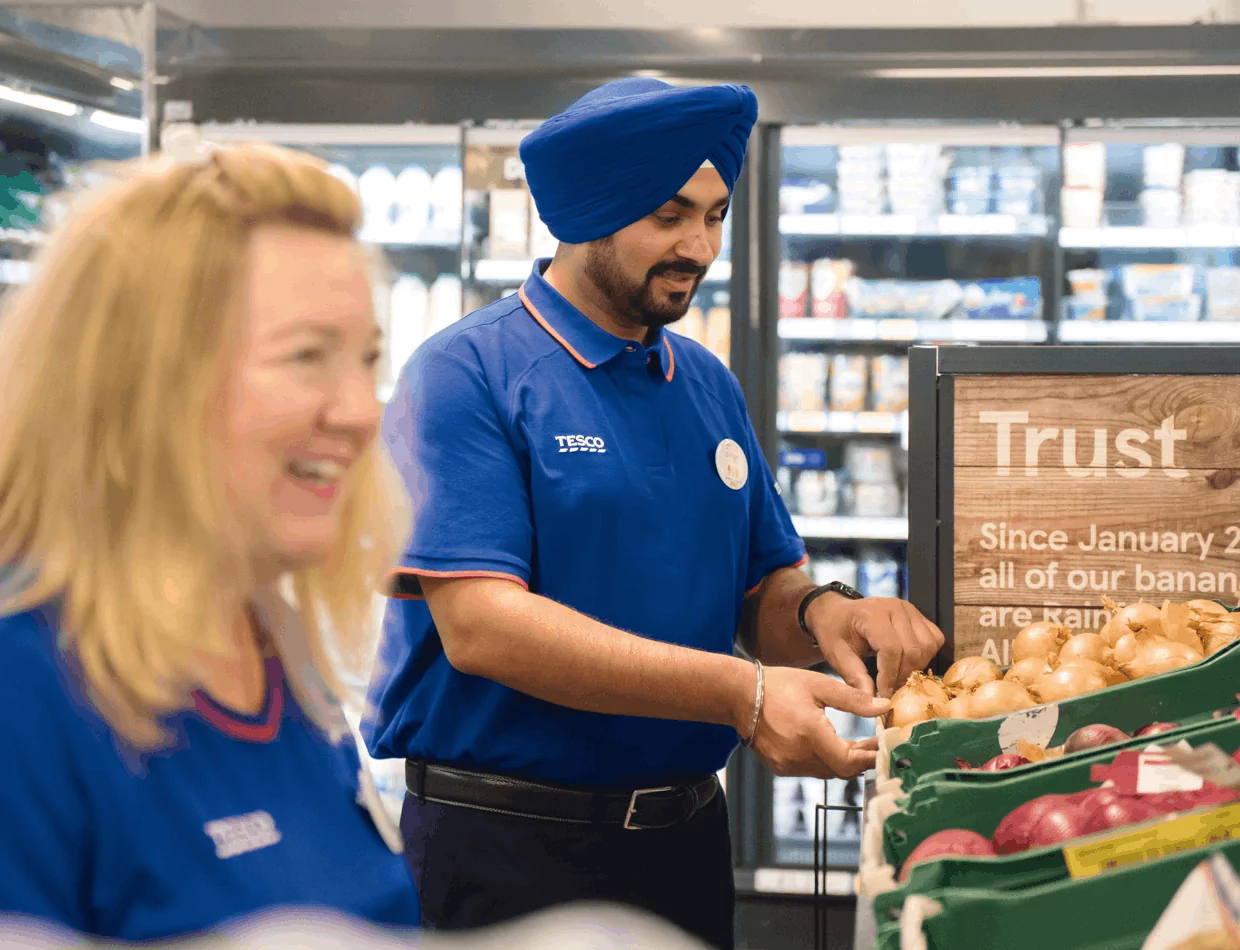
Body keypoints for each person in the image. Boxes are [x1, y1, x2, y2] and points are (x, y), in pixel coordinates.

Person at [364, 78, 944, 949]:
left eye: (714, 215)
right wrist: (741, 695)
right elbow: (481, 626)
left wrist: (833, 612)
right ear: (589, 212)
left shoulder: (705, 381)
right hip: (506, 852)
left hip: (685, 846)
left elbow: (762, 590)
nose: (700, 246)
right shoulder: (465, 373)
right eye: (669, 215)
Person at [0, 143, 421, 940]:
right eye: (307, 356)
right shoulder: (26, 691)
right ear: (141, 384)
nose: (362, 411)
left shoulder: (276, 651)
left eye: (367, 359)